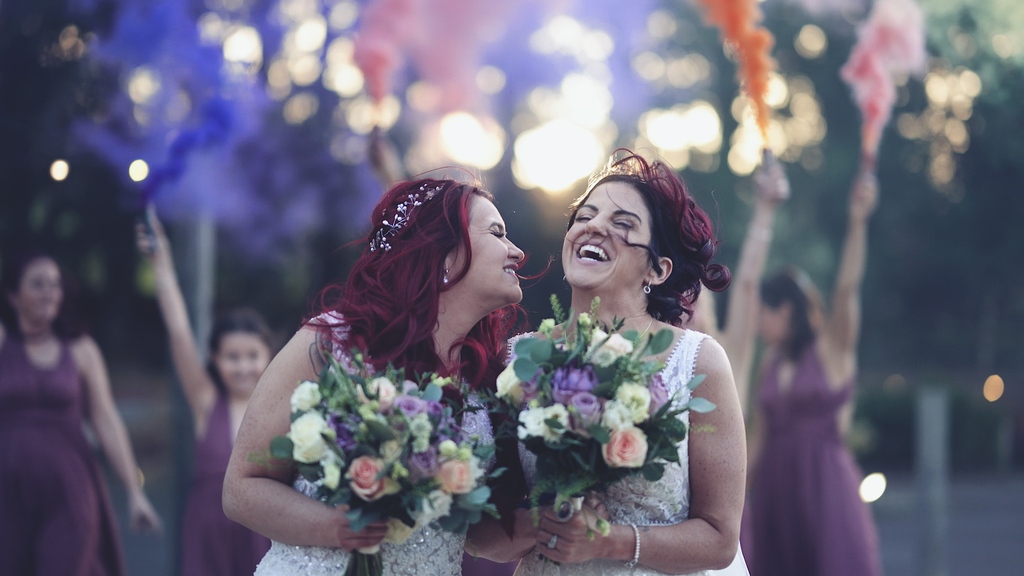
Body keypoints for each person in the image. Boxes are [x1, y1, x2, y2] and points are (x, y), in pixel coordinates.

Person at [222, 178, 526, 576]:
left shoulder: (490, 379)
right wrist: (342, 528)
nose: (517, 252)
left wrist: (556, 525)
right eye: (497, 233)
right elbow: (241, 489)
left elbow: (476, 533)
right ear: (446, 256)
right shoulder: (331, 342)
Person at [470, 150, 749, 575]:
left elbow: (719, 539)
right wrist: (548, 522)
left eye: (623, 224)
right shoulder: (515, 361)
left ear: (657, 270)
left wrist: (608, 540)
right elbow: (483, 534)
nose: (594, 226)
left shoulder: (698, 361)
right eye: (585, 216)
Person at [746, 169, 881, 576]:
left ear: (785, 310)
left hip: (826, 491)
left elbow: (846, 290)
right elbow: (758, 436)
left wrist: (858, 221)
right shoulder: (769, 362)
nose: (757, 326)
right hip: (775, 494)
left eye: (763, 315)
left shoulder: (832, 349)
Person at [0, 249, 162, 576]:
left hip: (69, 492)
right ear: (13, 296)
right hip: (8, 494)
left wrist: (134, 490)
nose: (49, 292)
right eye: (37, 284)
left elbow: (105, 420)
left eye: (55, 284)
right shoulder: (3, 345)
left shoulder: (81, 350)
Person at [136, 211, 273, 575]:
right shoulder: (205, 400)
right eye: (232, 357)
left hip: (261, 536)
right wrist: (161, 263)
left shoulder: (282, 408)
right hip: (207, 533)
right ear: (215, 359)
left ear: (269, 356)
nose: (243, 366)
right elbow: (180, 331)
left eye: (251, 356)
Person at [687, 150, 789, 417]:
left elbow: (747, 283)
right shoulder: (659, 357)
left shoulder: (731, 350)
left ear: (709, 304)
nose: (689, 308)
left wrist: (765, 209)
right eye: (681, 298)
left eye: (696, 297)